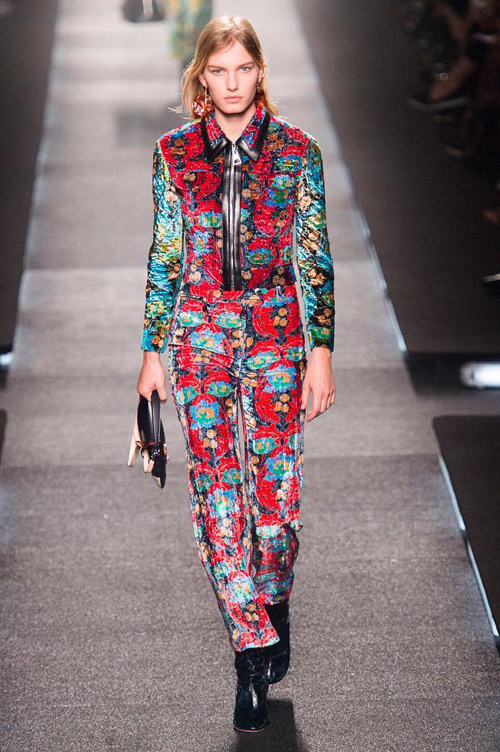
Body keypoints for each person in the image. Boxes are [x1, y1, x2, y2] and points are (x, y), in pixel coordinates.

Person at [136, 14, 336, 733]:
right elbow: (165, 256)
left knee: (276, 512)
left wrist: (321, 352)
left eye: (241, 70)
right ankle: (249, 653)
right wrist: (153, 351)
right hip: (200, 338)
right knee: (219, 498)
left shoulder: (296, 152)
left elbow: (314, 256)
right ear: (201, 77)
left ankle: (272, 595)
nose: (229, 83)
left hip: (279, 332)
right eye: (216, 71)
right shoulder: (173, 155)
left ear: (259, 73)